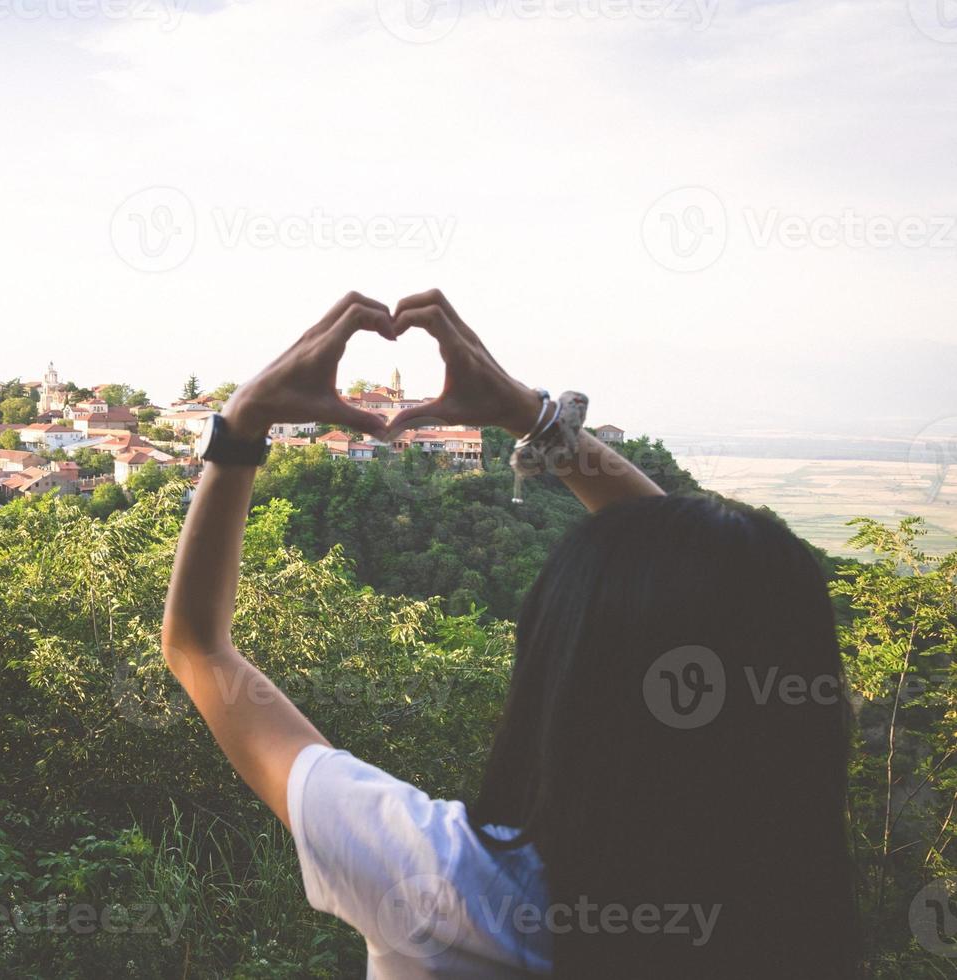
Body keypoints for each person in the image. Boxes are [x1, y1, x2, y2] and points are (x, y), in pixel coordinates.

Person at [160, 290, 857, 978]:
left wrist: (243, 424)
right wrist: (540, 420)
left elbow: (196, 644)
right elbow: (717, 599)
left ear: (563, 678)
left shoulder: (446, 889)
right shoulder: (794, 912)